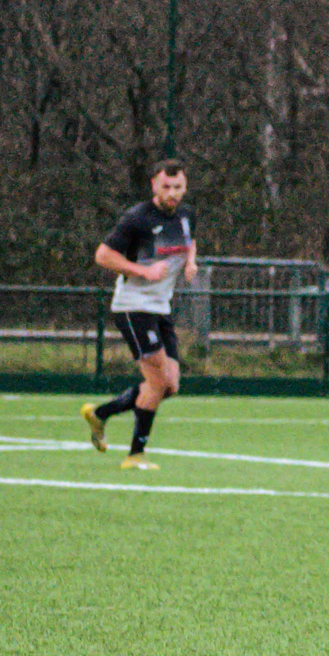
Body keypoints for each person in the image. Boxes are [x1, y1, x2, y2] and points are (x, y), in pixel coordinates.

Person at [81, 161, 198, 469]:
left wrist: (190, 263)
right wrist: (142, 271)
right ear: (153, 186)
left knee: (170, 386)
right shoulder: (137, 218)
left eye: (178, 187)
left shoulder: (186, 216)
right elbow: (103, 255)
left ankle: (101, 414)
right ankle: (135, 455)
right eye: (166, 187)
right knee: (158, 381)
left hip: (160, 308)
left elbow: (190, 240)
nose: (172, 193)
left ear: (185, 187)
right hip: (133, 307)